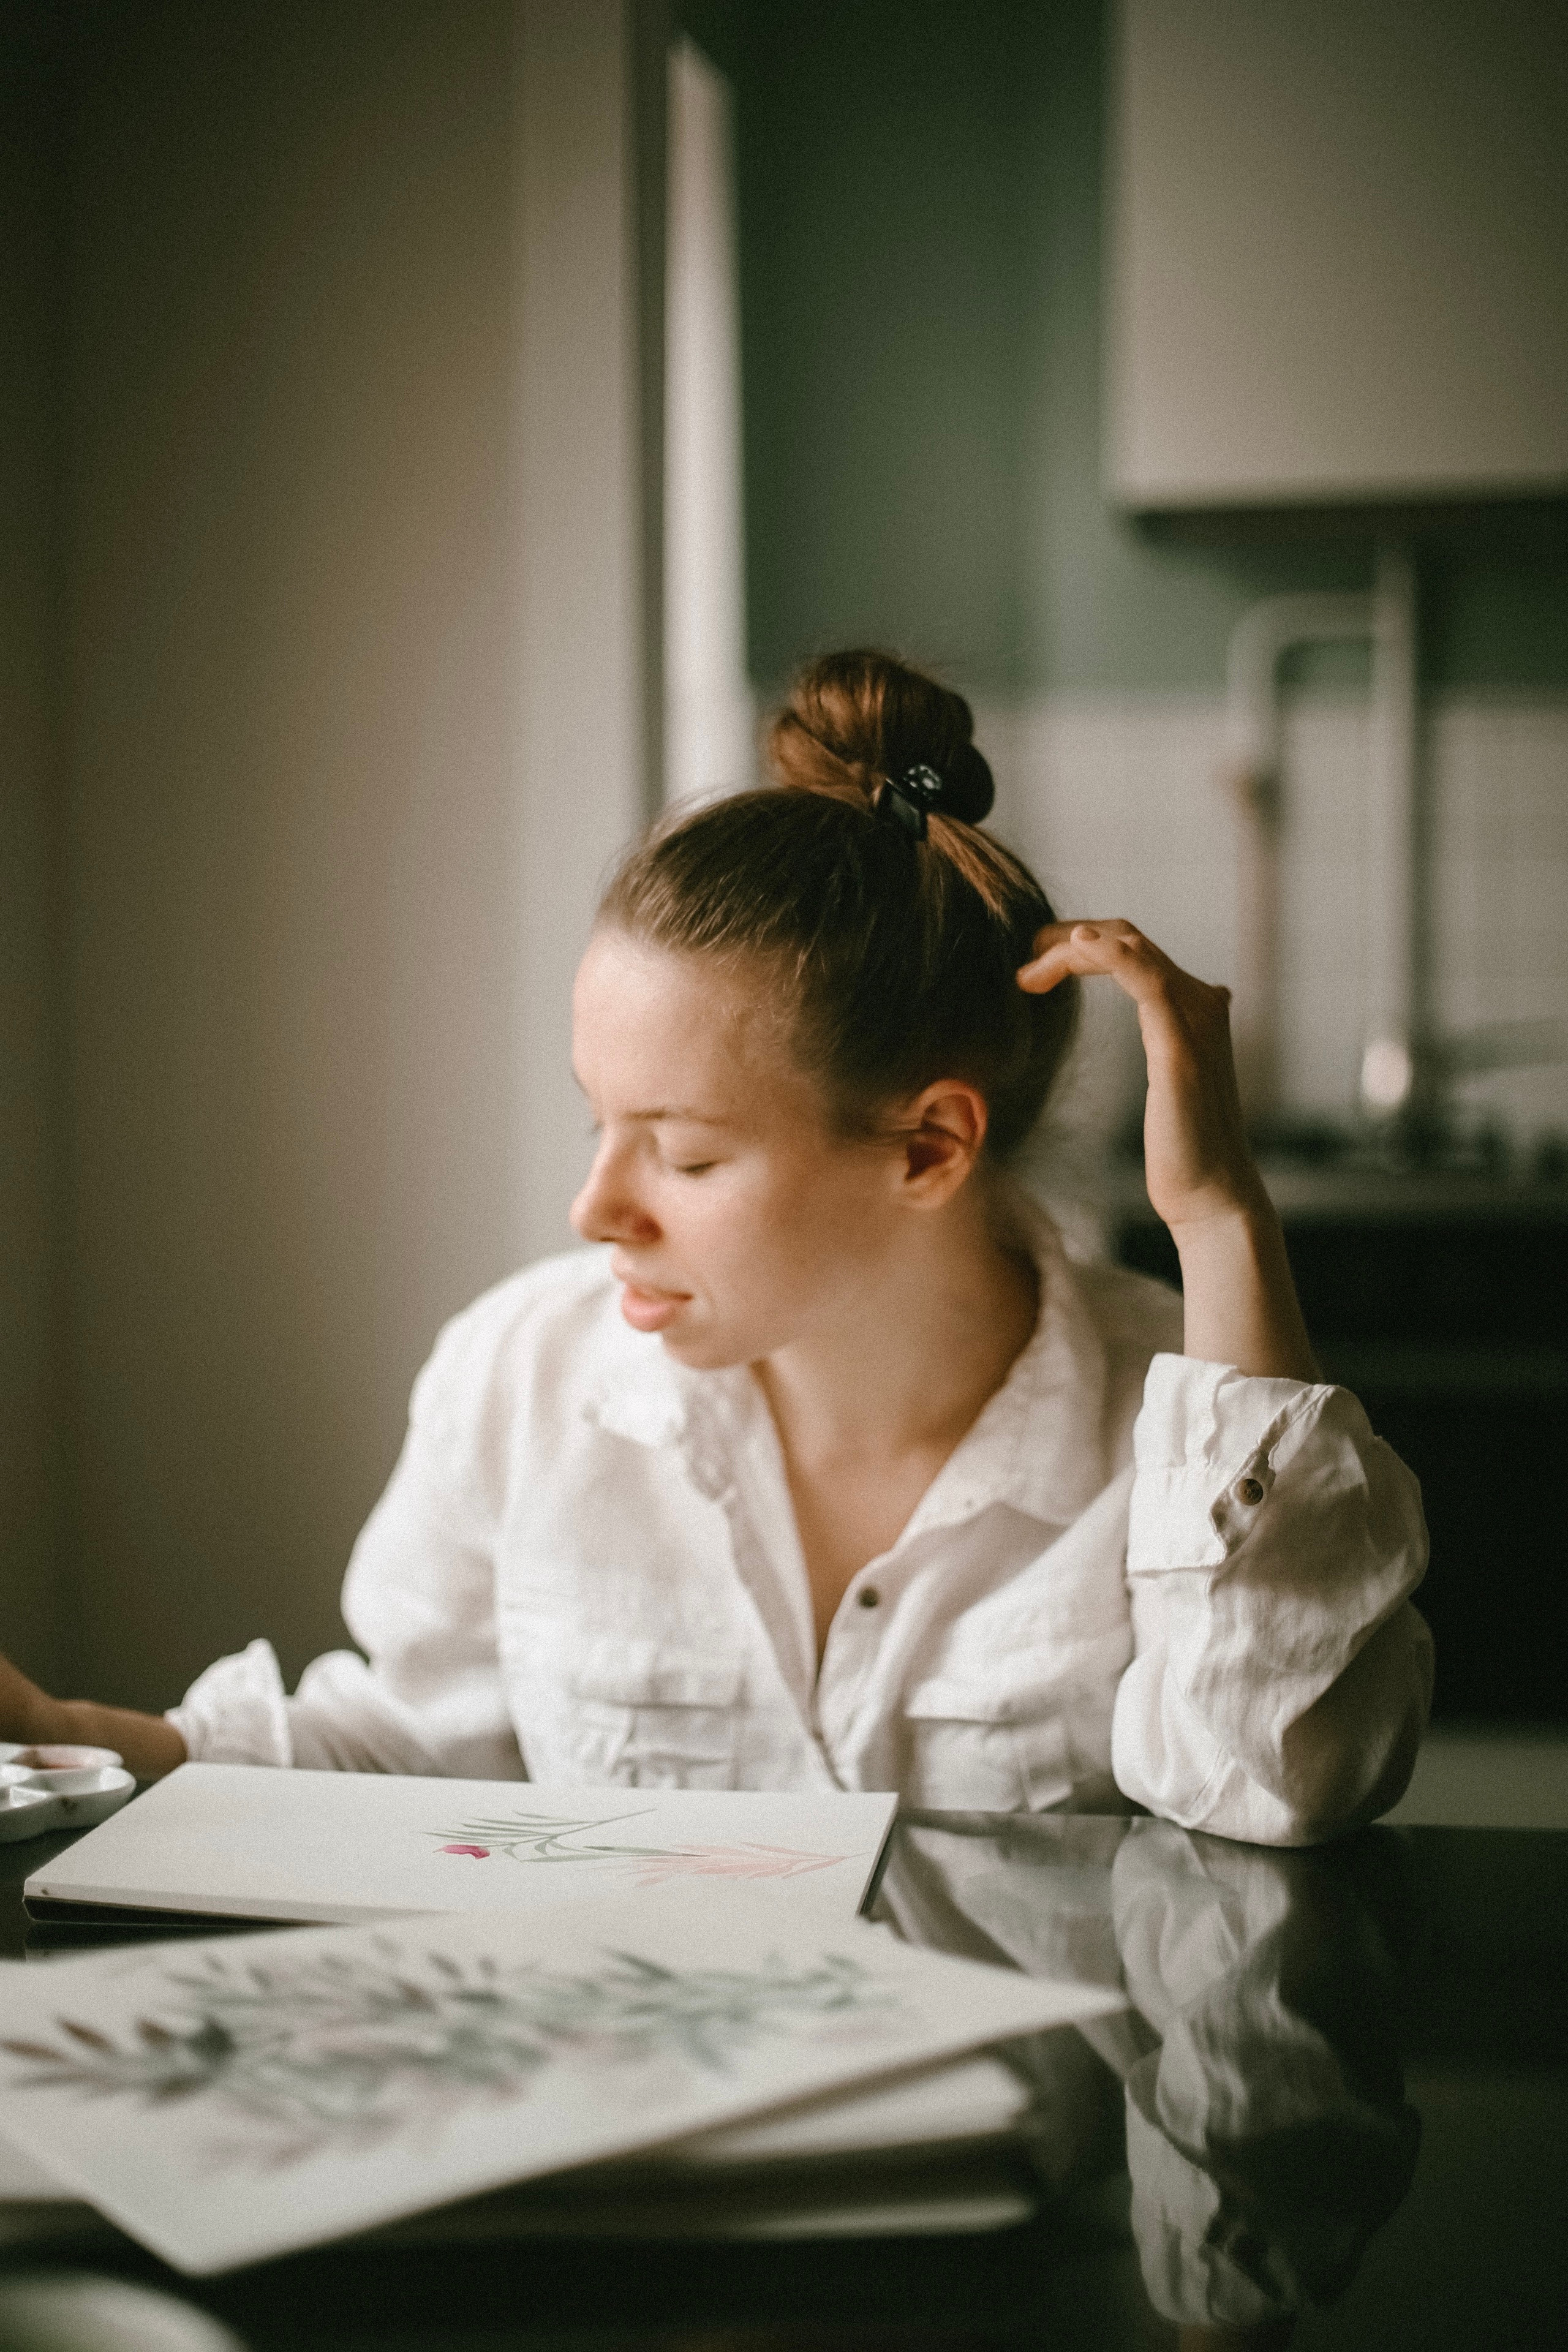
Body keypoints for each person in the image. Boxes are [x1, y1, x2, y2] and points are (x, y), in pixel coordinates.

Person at [0, 650, 1432, 1844]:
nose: (599, 1211)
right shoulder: (523, 1375)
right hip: (623, 2170)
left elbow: (1278, 1788)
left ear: (929, 1147)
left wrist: (1220, 1222)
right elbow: (401, 1751)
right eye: (596, 1129)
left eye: (683, 1154)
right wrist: (71, 1740)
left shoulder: (1170, 1438)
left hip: (1027, 2181)